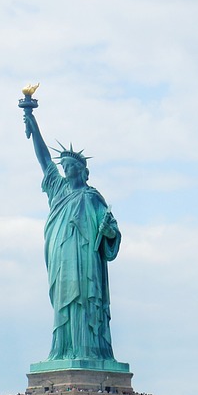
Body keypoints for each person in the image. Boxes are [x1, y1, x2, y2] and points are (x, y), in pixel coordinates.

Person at [22, 106, 121, 364]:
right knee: (64, 302)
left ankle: (88, 350)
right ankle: (64, 349)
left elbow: (110, 232)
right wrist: (33, 125)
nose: (64, 169)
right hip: (62, 260)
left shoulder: (92, 198)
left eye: (69, 166)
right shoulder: (58, 189)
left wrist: (109, 231)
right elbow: (44, 161)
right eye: (63, 166)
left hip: (85, 262)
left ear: (80, 170)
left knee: (85, 302)